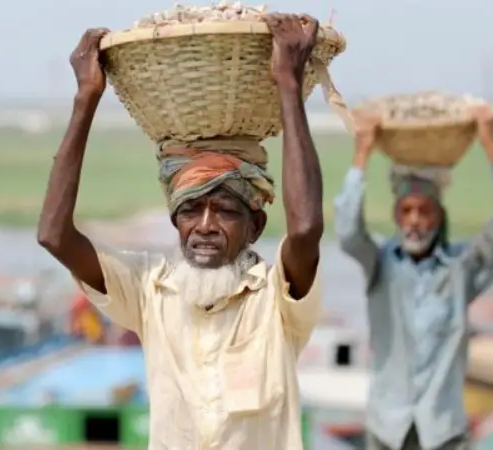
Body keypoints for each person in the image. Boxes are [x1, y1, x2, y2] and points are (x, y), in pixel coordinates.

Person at [38, 14, 325, 450]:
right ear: (175, 220)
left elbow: (305, 229)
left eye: (225, 210)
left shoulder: (276, 299)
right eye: (191, 209)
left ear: (256, 226)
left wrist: (288, 82)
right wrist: (86, 99)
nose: (205, 226)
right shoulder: (150, 292)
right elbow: (54, 236)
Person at [334, 107, 493, 450]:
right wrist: (361, 153)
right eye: (407, 211)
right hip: (387, 430)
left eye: (425, 211)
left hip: (443, 432)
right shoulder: (380, 263)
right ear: (397, 216)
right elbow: (348, 232)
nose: (415, 221)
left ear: (439, 218)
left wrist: (489, 145)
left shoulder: (460, 269)